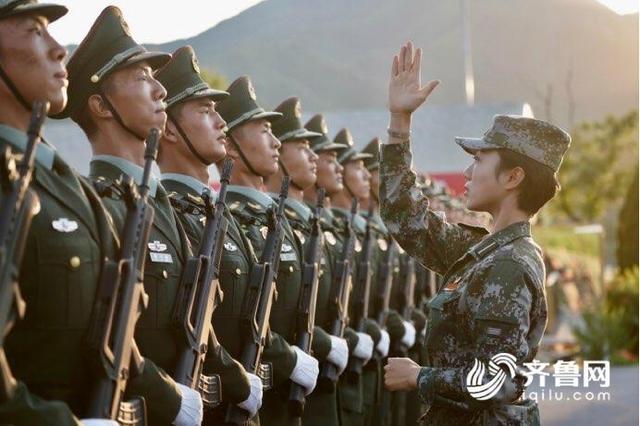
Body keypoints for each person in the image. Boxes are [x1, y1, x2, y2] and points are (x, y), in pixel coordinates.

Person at [381, 42, 570, 425]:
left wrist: (419, 377)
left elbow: (498, 382)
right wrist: (400, 123)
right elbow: (406, 216)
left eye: (479, 160)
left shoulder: (509, 265)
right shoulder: (484, 251)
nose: (467, 174)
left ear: (513, 177)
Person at [58, 6, 212, 425]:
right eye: (142, 79)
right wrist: (168, 398)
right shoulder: (100, 206)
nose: (160, 90)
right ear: (102, 106)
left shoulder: (162, 203)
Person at [154, 45, 263, 423]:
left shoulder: (218, 212)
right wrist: (235, 378)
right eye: (205, 110)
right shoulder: (166, 213)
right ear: (168, 128)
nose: (221, 122)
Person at [216, 76, 319, 426]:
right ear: (231, 145)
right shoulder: (231, 219)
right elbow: (234, 317)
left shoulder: (272, 217)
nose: (276, 142)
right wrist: (289, 359)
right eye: (263, 131)